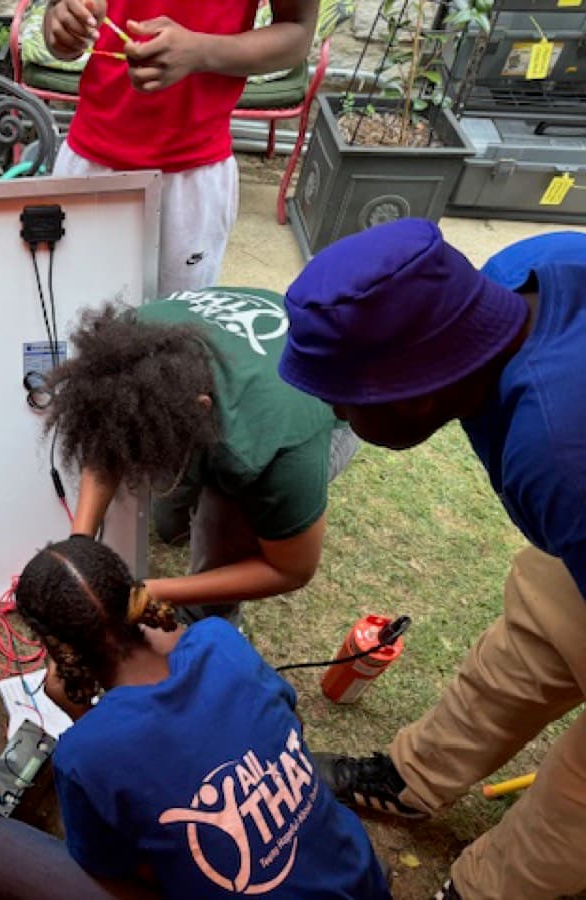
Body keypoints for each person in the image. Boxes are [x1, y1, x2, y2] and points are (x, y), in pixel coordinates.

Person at [276, 220, 586, 900]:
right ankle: (412, 779)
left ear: (411, 392)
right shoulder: (519, 272)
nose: (334, 414)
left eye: (342, 403)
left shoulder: (557, 454)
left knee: (576, 805)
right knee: (542, 622)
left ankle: (484, 890)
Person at [0, 536, 389, 899]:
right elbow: (286, 714)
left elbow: (112, 865)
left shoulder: (86, 754)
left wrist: (81, 714)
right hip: (359, 878)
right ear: (135, 594)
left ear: (59, 652)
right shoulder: (219, 639)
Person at [46, 298, 357, 625]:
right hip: (249, 380)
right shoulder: (128, 348)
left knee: (221, 528)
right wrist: (79, 543)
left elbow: (290, 570)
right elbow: (105, 443)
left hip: (322, 409)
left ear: (199, 410)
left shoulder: (272, 449)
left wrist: (146, 591)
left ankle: (208, 623)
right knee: (170, 526)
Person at [43, 0, 316, 293]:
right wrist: (62, 27)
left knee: (173, 328)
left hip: (191, 180)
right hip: (87, 164)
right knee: (75, 320)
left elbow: (298, 33)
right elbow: (57, 18)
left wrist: (202, 53)